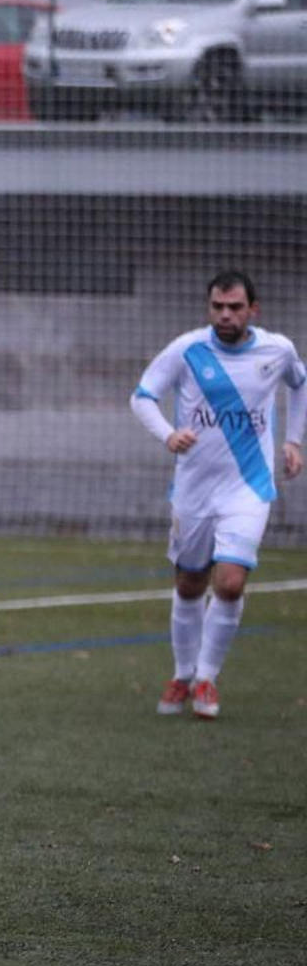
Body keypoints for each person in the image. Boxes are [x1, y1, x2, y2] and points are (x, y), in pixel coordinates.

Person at [131, 270, 305, 720]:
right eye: (217, 307)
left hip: (248, 488)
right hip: (193, 490)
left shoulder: (277, 350)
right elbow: (142, 396)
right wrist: (168, 434)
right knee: (189, 583)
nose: (225, 315)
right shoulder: (188, 349)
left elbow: (301, 384)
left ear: (253, 310)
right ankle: (182, 674)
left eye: (234, 307)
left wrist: (294, 440)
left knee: (229, 583)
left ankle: (207, 677)